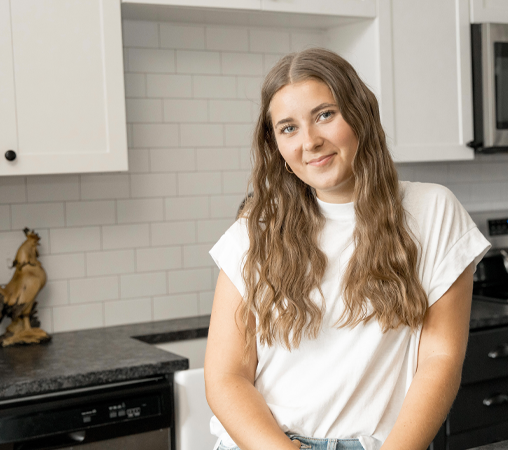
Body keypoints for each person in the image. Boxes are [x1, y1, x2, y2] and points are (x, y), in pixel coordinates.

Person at [206, 48, 491, 450]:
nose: (310, 141)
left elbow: (439, 360)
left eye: (325, 115)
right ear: (277, 148)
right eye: (288, 128)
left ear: (360, 115)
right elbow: (226, 377)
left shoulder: (433, 212)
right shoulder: (253, 234)